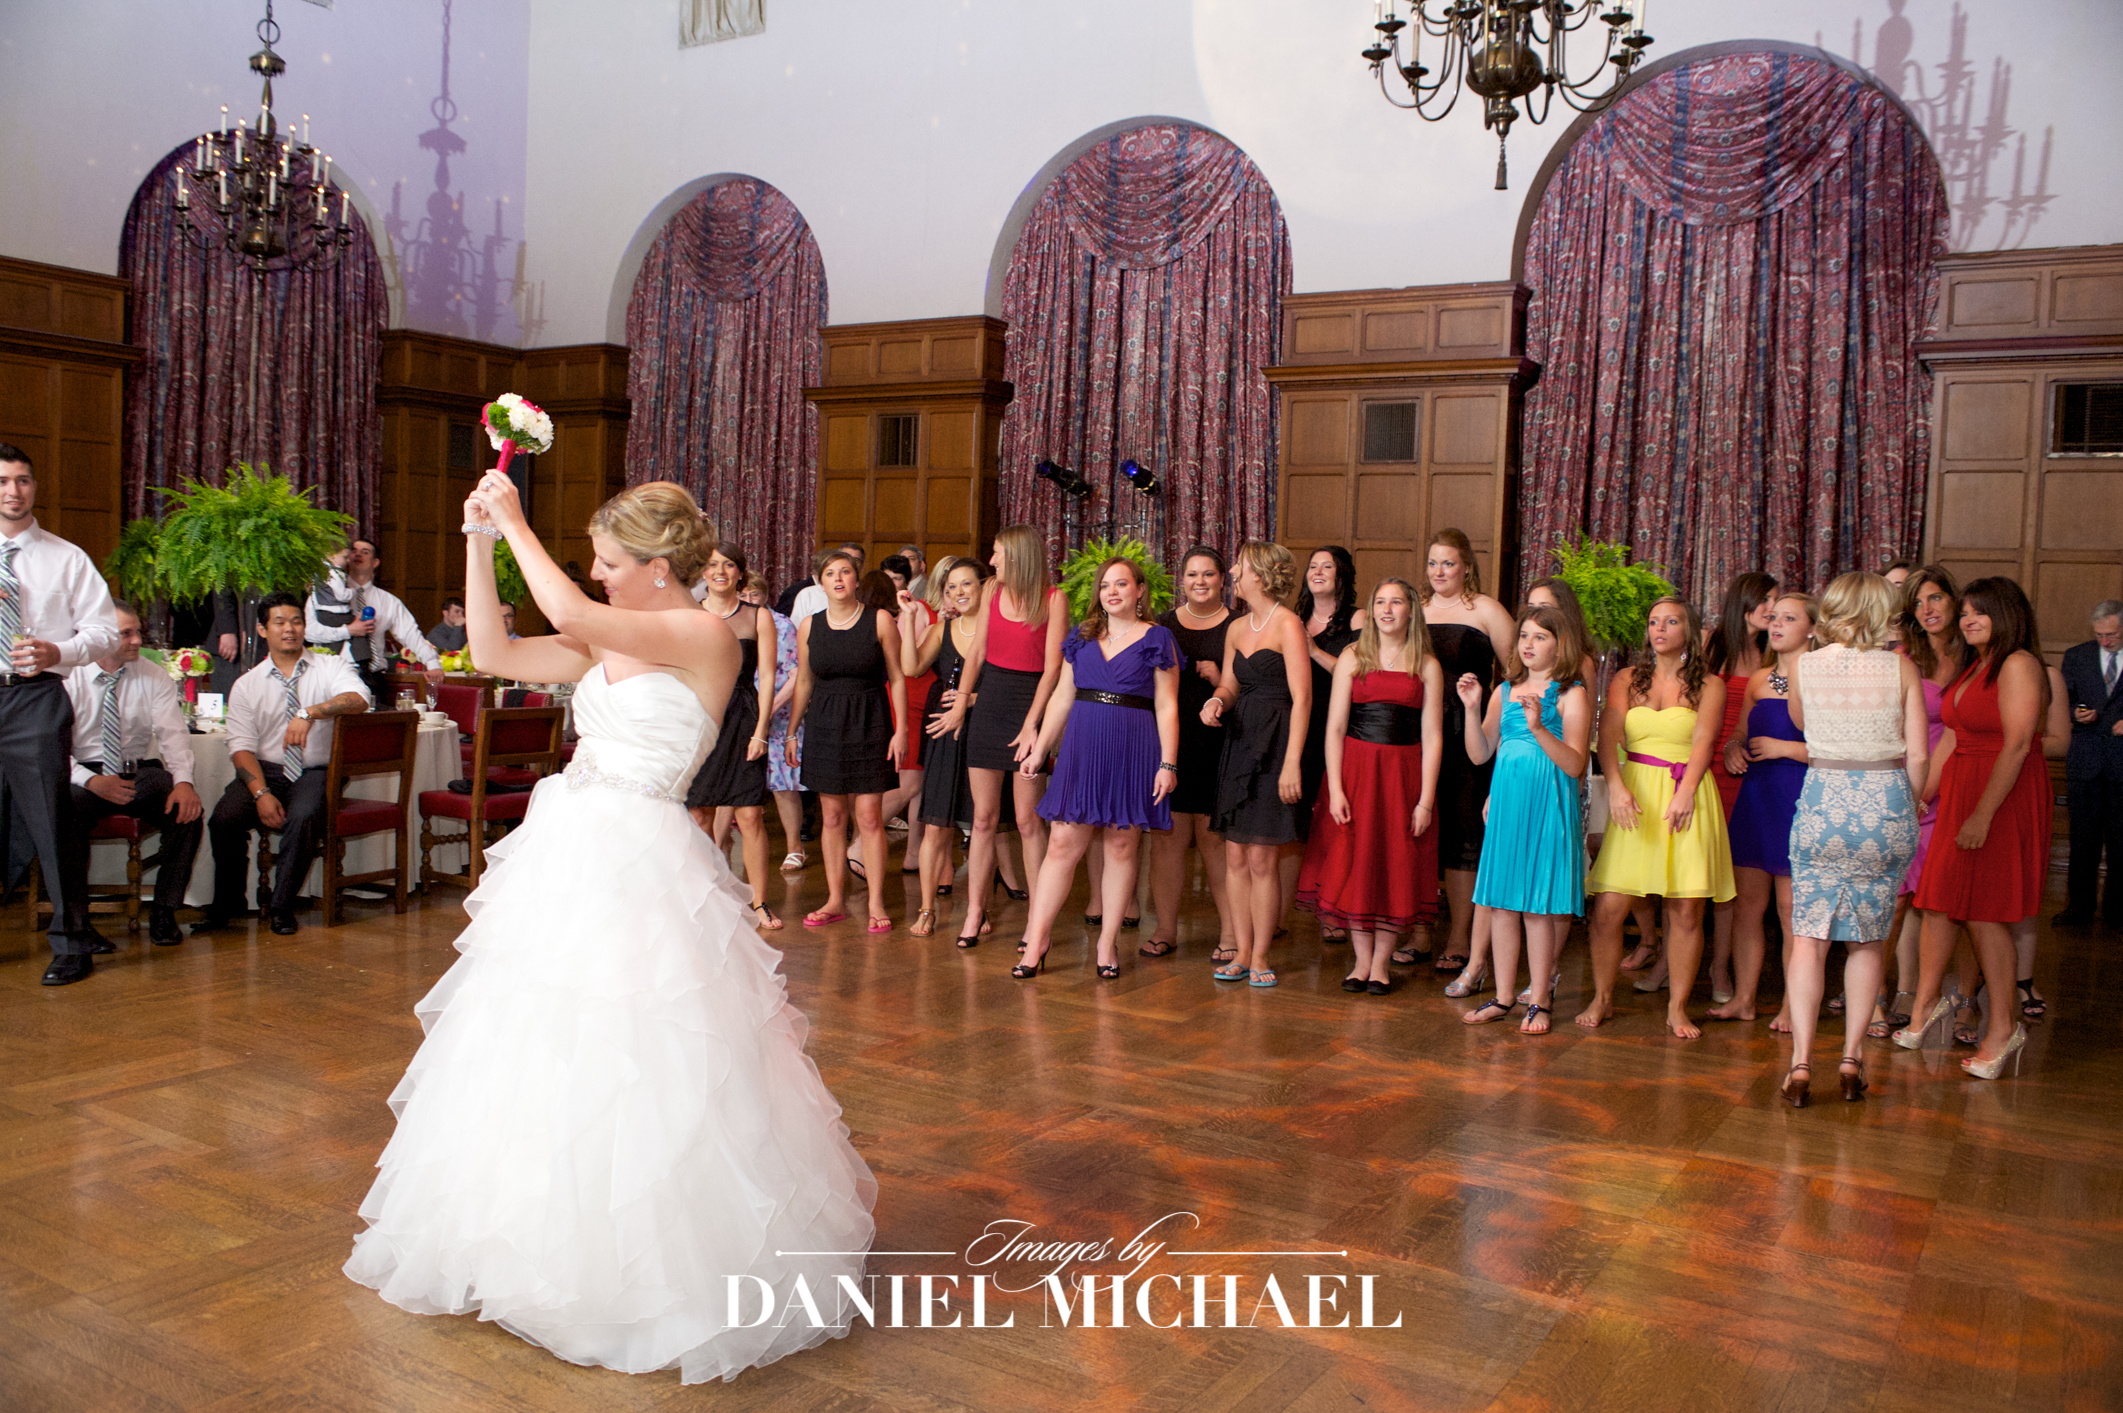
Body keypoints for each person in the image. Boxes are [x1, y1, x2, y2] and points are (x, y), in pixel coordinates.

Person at [346, 473, 876, 1383]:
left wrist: (517, 519)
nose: (596, 573)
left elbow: (569, 613)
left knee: (644, 1050)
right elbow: (493, 650)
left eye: (608, 561)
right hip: (566, 856)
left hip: (644, 862)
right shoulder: (610, 637)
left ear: (659, 568)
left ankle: (640, 1269)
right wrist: (478, 537)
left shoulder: (705, 636)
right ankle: (525, 1246)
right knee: (542, 1043)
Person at [1778, 574, 1927, 1107]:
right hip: (1884, 804)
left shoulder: (1804, 665)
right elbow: (1919, 754)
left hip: (1824, 801)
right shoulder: (1901, 667)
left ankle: (1800, 1064)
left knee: (1809, 938)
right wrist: (1910, 805)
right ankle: (1850, 1059)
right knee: (1867, 941)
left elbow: (1802, 723)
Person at [1905, 577, 2051, 1080]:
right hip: (1963, 789)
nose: (1967, 621)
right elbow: (1952, 739)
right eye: (1965, 612)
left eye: (1979, 613)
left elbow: (2018, 745)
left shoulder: (2018, 663)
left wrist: (1982, 815)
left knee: (1986, 913)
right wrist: (1921, 798)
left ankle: (2003, 1029)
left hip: (2002, 794)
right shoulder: (1976, 665)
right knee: (1946, 900)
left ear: (2005, 615)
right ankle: (1935, 1009)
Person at [1011, 558, 1180, 980]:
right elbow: (1061, 698)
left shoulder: (1157, 638)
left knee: (1122, 847)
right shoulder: (1081, 636)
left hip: (1134, 749)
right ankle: (1037, 939)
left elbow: (1167, 705)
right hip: (1082, 750)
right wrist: (1039, 749)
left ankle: (1107, 943)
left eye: (1121, 584)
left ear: (1140, 590)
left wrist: (1167, 763)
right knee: (1061, 844)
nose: (1112, 592)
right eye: (1105, 585)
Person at [1579, 597, 1735, 1037]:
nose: (1660, 628)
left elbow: (1704, 742)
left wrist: (1686, 792)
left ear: (1690, 630)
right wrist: (1616, 786)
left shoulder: (1710, 685)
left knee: (1686, 910)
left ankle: (1677, 1007)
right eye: (1653, 622)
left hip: (1687, 794)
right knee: (1609, 908)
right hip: (1636, 797)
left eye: (1671, 621)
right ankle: (1602, 997)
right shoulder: (1627, 679)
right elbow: (1607, 735)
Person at [0, 444, 122, 986]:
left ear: (34, 487)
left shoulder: (66, 557)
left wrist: (58, 650)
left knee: (52, 823)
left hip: (36, 698)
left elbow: (104, 632)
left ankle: (73, 943)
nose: (13, 491)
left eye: (23, 480)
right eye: (3, 481)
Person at [1297, 578, 1443, 996]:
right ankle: (1361, 962)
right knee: (1356, 859)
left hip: (1403, 775)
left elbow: (1433, 736)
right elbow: (1335, 727)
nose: (1387, 609)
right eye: (1380, 602)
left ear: (1411, 611)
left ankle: (1381, 964)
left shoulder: (1426, 665)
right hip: (1356, 772)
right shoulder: (1352, 656)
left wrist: (1425, 800)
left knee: (1394, 861)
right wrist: (1336, 788)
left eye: (1396, 602)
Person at [195, 593, 372, 938]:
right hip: (267, 771)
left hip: (316, 771)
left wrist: (310, 712)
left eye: (296, 621)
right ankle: (227, 904)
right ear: (262, 630)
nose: (289, 629)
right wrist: (261, 793)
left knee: (302, 816)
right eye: (279, 622)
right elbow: (241, 748)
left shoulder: (330, 666)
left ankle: (282, 906)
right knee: (224, 819)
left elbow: (358, 699)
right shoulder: (247, 684)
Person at [932, 525, 1067, 950]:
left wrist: (1032, 724)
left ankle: (1037, 922)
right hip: (990, 702)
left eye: (997, 553)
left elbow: (1053, 669)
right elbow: (977, 653)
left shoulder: (1054, 599)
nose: (991, 561)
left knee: (1027, 821)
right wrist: (960, 705)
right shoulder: (992, 590)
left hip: (1029, 703)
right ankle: (976, 910)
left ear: (1019, 555)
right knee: (983, 818)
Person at [1458, 603, 1591, 1033]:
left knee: (1537, 907)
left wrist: (1538, 728)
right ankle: (1502, 997)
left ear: (1560, 644)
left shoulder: (1571, 693)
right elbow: (1480, 753)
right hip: (1508, 805)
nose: (1528, 644)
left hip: (1547, 804)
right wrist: (1471, 709)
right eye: (1524, 636)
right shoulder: (1504, 691)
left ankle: (1540, 999)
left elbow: (1574, 764)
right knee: (1501, 905)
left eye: (1540, 637)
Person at [62, 601, 206, 948]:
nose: (137, 640)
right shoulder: (67, 676)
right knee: (65, 813)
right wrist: (92, 781)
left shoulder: (152, 674)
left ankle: (164, 911)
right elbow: (50, 749)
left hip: (134, 769)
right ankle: (77, 924)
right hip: (82, 773)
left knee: (186, 811)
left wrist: (184, 782)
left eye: (138, 631)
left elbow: (173, 735)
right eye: (126, 633)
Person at [1204, 541, 1310, 989]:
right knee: (1235, 854)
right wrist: (1215, 701)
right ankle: (1242, 952)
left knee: (1263, 857)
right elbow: (1230, 685)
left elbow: (1303, 698)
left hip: (1277, 743)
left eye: (1240, 566)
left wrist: (1292, 763)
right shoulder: (1235, 628)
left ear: (1262, 576)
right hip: (1240, 742)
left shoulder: (1288, 624)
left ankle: (1262, 954)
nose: (1232, 572)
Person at [1707, 593, 1815, 1023]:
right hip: (1756, 797)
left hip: (1799, 797)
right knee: (1747, 906)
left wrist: (1784, 748)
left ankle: (1792, 1004)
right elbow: (1739, 732)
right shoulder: (1757, 679)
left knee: (1791, 912)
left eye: (1790, 618)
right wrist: (1733, 748)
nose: (1777, 623)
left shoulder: (1824, 680)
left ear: (1813, 629)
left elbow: (1841, 750)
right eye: (1775, 617)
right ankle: (1744, 998)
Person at [786, 551, 906, 932]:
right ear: (820, 582)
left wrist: (901, 730)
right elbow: (804, 681)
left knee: (869, 816)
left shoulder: (880, 619)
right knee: (833, 816)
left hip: (870, 720)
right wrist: (791, 731)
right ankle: (835, 899)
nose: (838, 579)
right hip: (824, 723)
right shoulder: (809, 625)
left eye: (845, 572)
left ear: (856, 579)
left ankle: (876, 901)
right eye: (830, 573)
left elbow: (897, 677)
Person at [1418, 529, 1516, 979]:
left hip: (1468, 733)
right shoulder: (1415, 608)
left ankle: (1460, 936)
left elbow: (1517, 675)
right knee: (1419, 830)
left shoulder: (1488, 610)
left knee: (1462, 834)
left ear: (1467, 567)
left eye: (1448, 563)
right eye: (1433, 563)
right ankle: (1419, 930)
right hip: (1416, 731)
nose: (1439, 572)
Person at [1872, 566, 1964, 1039]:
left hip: (1952, 791)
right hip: (1904, 787)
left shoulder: (1973, 658)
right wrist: (1905, 792)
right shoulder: (1902, 659)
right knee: (1893, 899)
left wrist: (1925, 793)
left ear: (1954, 600)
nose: (1928, 609)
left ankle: (1947, 1000)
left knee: (1947, 904)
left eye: (1936, 598)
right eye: (1919, 602)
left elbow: (1957, 732)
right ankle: (1873, 997)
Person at [1149, 547, 1235, 962]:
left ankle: (1231, 934)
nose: (1200, 582)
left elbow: (1257, 688)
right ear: (1180, 580)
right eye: (1192, 575)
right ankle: (1165, 929)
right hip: (1170, 744)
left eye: (1208, 574)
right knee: (1167, 842)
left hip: (1219, 744)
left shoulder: (1238, 624)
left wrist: (1220, 681)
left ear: (1222, 579)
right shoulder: (1163, 625)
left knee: (1215, 844)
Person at [687, 546, 779, 931]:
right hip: (700, 718)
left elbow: (768, 677)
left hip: (744, 717)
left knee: (750, 814)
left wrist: (761, 731)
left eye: (728, 564)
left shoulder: (758, 616)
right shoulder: (689, 615)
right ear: (703, 573)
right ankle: (708, 895)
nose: (720, 571)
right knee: (699, 814)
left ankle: (760, 901)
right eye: (712, 565)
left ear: (740, 573)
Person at [1702, 572, 1778, 1006]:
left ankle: (1721, 965)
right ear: (1744, 602)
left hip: (1752, 767)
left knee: (1733, 876)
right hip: (1706, 761)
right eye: (1764, 599)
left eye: (1775, 601)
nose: (1771, 608)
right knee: (1698, 868)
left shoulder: (1775, 651)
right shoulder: (1712, 646)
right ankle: (1674, 960)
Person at [901, 557, 981, 937]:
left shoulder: (996, 631)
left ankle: (980, 908)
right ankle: (927, 908)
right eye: (951, 587)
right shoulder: (942, 628)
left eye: (966, 584)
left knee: (984, 826)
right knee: (934, 826)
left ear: (983, 587)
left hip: (983, 729)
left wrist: (973, 700)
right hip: (943, 731)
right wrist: (907, 619)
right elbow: (911, 667)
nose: (958, 592)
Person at [305, 537, 446, 700]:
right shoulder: (323, 592)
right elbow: (310, 633)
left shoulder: (388, 601)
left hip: (372, 678)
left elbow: (411, 635)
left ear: (375, 562)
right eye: (354, 551)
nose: (358, 555)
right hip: (329, 676)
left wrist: (432, 663)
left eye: (365, 552)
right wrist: (348, 631)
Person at [2057, 598, 2123, 926]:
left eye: (2112, 635)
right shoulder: (2077, 656)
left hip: (2121, 763)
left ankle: (2117, 911)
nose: (2105, 641)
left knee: (2121, 843)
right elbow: (2063, 701)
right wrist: (2077, 712)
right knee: (2082, 842)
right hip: (2086, 762)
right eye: (2099, 635)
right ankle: (2078, 909)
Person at [747, 572, 807, 873]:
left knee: (784, 785)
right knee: (736, 784)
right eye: (743, 594)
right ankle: (719, 847)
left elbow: (797, 674)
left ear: (765, 595)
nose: (748, 599)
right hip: (742, 711)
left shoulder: (781, 625)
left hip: (779, 714)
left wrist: (769, 709)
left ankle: (795, 847)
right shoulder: (732, 622)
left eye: (754, 594)